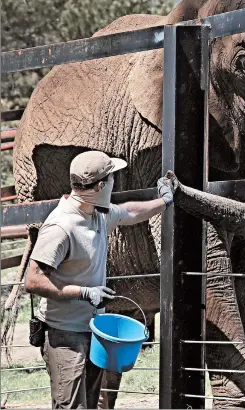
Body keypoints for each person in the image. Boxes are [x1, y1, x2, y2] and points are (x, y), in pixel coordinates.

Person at [24, 150, 174, 409]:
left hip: (92, 331)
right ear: (102, 185)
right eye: (112, 177)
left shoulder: (98, 214)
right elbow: (33, 280)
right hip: (64, 334)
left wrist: (164, 201)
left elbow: (130, 212)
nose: (116, 181)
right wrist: (83, 292)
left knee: (90, 405)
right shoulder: (61, 227)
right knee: (70, 407)